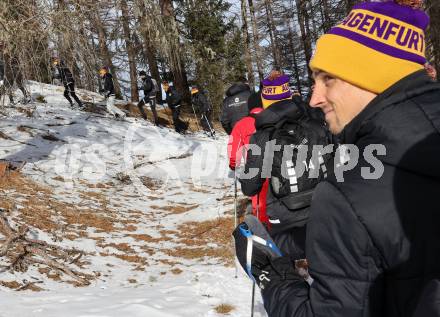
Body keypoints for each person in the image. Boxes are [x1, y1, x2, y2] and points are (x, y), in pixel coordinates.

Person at [235, 1, 440, 316]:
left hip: (283, 222)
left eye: (327, 79)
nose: (314, 98)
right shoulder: (328, 129)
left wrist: (270, 272)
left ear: (370, 76)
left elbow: (249, 183)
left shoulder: (350, 194)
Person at [239, 71, 331, 258]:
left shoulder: (262, 135)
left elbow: (249, 187)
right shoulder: (317, 118)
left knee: (288, 263)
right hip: (325, 207)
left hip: (285, 219)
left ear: (265, 100)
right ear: (289, 94)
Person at [228, 91, 269, 225]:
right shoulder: (273, 118)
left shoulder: (241, 124)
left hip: (255, 170)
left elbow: (234, 152)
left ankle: (264, 233)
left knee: (260, 205)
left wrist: (233, 164)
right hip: (279, 166)